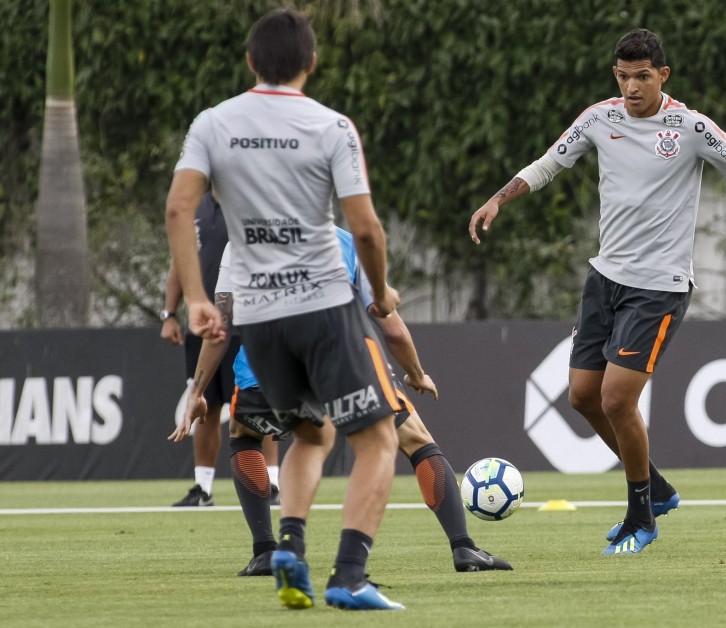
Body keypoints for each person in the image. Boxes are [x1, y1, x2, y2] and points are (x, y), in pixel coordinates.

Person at [468, 28, 726, 556]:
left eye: (642, 76)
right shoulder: (599, 117)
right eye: (623, 76)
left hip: (658, 288)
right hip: (605, 279)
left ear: (663, 75)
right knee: (581, 397)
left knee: (617, 399)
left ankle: (642, 515)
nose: (632, 87)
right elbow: (550, 161)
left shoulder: (690, 128)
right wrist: (500, 199)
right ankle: (656, 488)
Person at [166, 8, 406, 611]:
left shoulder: (212, 124)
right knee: (377, 439)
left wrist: (195, 300)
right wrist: (379, 292)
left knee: (311, 431)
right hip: (323, 303)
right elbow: (366, 229)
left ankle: (290, 552)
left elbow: (177, 212)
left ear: (249, 62)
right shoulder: (331, 126)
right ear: (311, 63)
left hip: (257, 316)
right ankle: (349, 575)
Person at [171, 229, 512, 577]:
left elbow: (220, 326)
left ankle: (266, 551)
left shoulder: (240, 244)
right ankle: (462, 547)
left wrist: (198, 391)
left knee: (245, 436)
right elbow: (390, 327)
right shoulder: (346, 240)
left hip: (268, 368)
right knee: (414, 439)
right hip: (342, 361)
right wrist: (416, 373)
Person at [160, 192, 281, 508]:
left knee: (257, 402)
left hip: (245, 323)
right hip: (201, 324)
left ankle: (273, 483)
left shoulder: (250, 199)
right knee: (205, 405)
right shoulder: (193, 206)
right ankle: (203, 488)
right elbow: (179, 260)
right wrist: (169, 313)